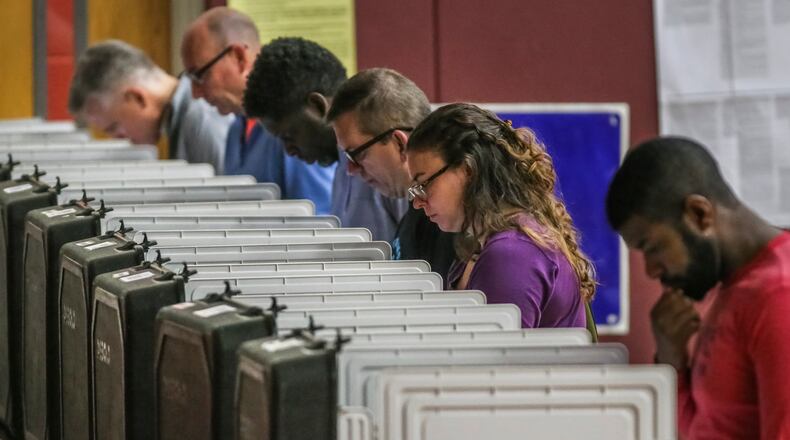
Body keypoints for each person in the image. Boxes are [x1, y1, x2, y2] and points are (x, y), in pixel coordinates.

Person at [606, 136, 790, 439]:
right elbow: (702, 428)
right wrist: (672, 360)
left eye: (651, 247)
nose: (651, 271)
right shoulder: (735, 289)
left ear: (699, 214)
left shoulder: (777, 293)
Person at [405, 103, 594, 329]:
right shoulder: (489, 243)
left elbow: (496, 361)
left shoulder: (513, 252)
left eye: (424, 183)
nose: (417, 202)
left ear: (468, 170)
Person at [243, 37, 406, 241]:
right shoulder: (342, 165)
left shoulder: (389, 155)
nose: (289, 151)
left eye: (289, 136)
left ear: (318, 107)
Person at [181, 7, 334, 213]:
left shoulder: (295, 122)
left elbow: (323, 225)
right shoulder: (237, 126)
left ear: (238, 57)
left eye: (199, 75)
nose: (195, 93)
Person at [327, 68, 456, 278]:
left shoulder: (452, 220)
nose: (350, 170)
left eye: (357, 154)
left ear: (399, 143)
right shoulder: (418, 208)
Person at [68, 40, 231, 173]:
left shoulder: (200, 118)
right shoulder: (181, 117)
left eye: (114, 128)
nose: (119, 139)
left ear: (137, 98)